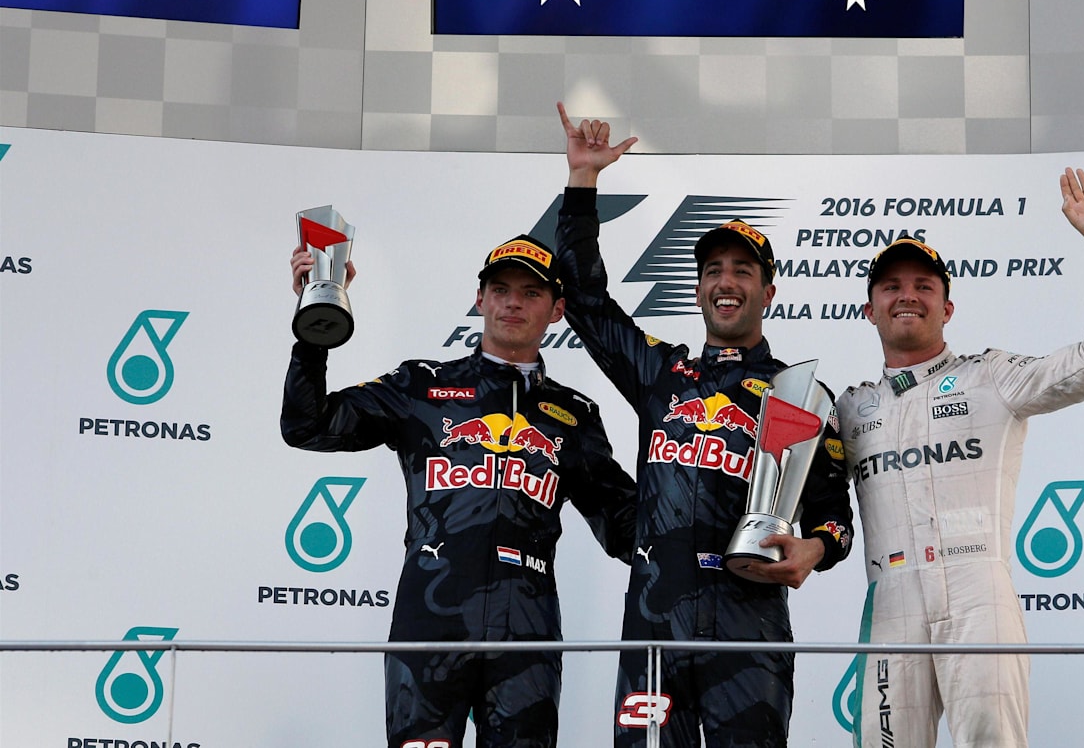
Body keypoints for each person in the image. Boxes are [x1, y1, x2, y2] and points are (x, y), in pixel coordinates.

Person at [550, 102, 855, 747]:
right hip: (654, 636)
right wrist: (583, 186)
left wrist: (814, 550)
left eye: (743, 270)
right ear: (696, 290)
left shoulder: (797, 394)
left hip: (751, 634)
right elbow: (585, 301)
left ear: (767, 291)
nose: (726, 281)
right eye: (713, 270)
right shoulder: (662, 375)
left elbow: (834, 518)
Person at [281, 234, 636, 748]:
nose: (513, 302)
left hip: (526, 635)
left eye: (531, 293)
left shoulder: (575, 415)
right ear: (480, 299)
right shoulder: (421, 388)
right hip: (431, 622)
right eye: (500, 289)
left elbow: (627, 529)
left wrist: (718, 548)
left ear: (557, 310)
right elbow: (307, 425)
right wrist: (314, 327)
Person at [837, 168, 1084, 748]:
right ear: (869, 309)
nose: (907, 295)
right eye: (891, 286)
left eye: (924, 286)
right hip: (891, 597)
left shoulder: (991, 376)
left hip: (979, 587)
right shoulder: (849, 410)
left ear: (947, 308)